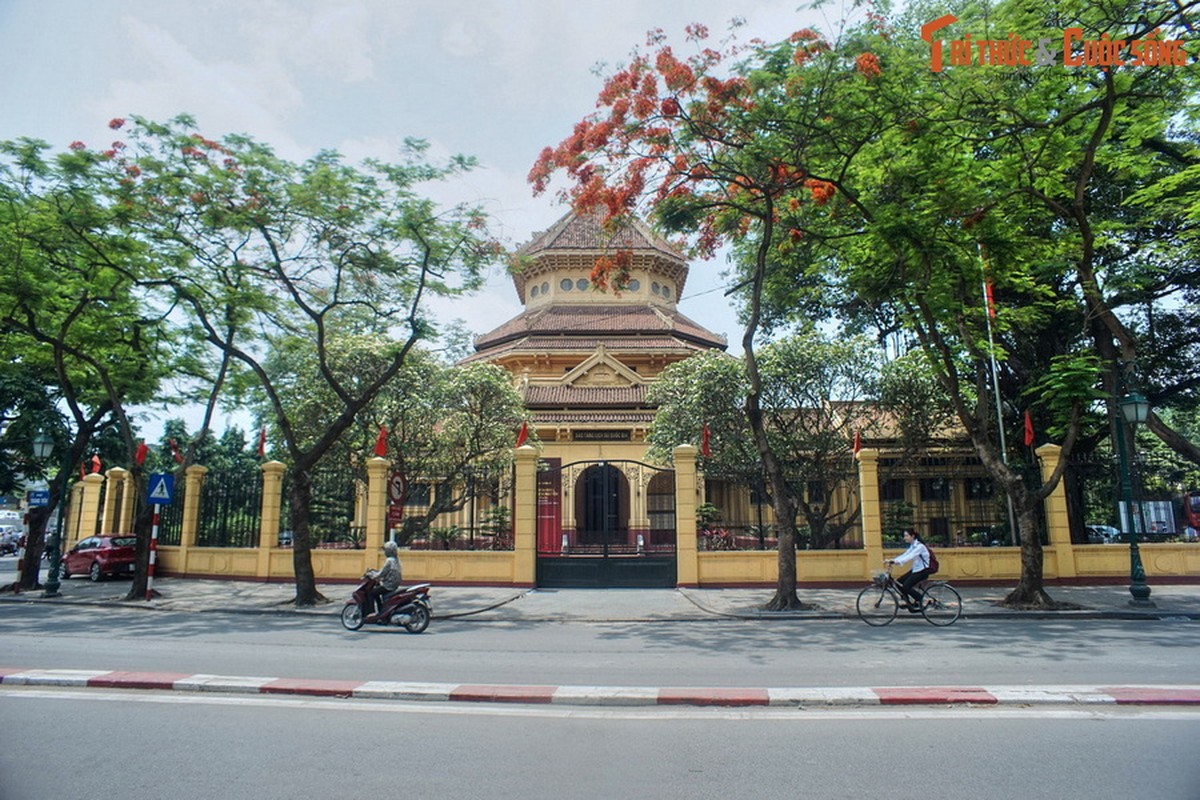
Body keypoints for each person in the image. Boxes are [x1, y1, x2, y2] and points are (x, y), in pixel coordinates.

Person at [887, 529, 932, 612]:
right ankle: (909, 603)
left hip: (922, 571)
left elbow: (911, 556)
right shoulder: (913, 546)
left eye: (907, 536)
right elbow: (905, 555)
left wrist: (897, 561)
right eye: (905, 536)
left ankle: (922, 600)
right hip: (916, 570)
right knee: (899, 582)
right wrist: (894, 560)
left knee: (906, 586)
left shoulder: (920, 546)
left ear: (913, 536)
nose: (905, 538)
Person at [366, 540, 402, 616]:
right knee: (377, 593)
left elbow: (382, 573)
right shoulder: (396, 560)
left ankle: (372, 613)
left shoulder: (389, 560)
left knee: (371, 593)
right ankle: (381, 613)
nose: (385, 552)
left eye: (386, 550)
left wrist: (373, 575)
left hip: (388, 585)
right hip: (393, 584)